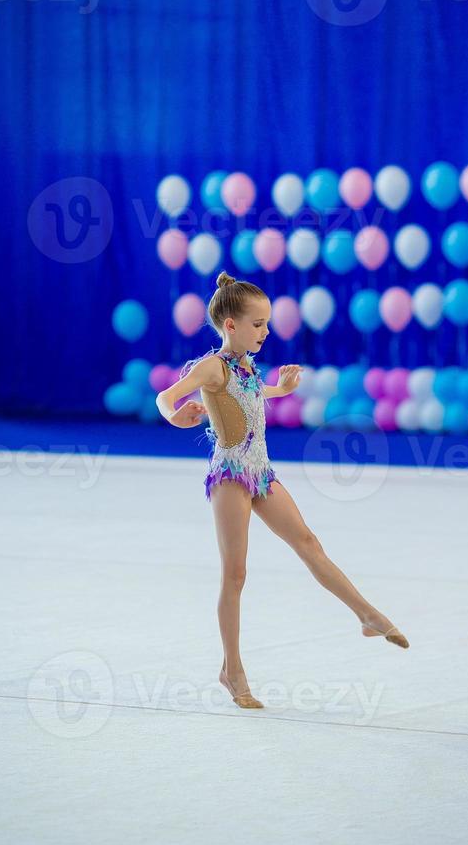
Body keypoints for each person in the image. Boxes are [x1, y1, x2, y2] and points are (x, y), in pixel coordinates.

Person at [156, 271, 409, 709]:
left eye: (267, 323)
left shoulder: (247, 365)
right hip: (232, 475)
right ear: (230, 325)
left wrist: (281, 389)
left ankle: (367, 616)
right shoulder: (212, 366)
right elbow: (166, 396)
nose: (266, 331)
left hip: (262, 473)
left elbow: (251, 391)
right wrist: (176, 415)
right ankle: (231, 670)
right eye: (258, 325)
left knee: (309, 542)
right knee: (236, 574)